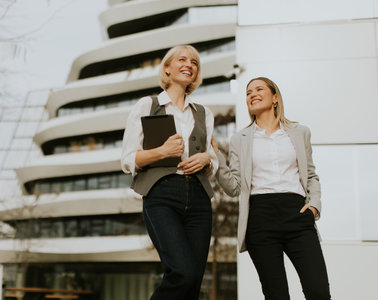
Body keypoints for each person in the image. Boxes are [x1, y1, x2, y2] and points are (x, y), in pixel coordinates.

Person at [214, 77, 331, 299]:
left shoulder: (299, 132)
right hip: (260, 218)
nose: (252, 94)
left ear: (274, 97)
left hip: (297, 213)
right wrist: (217, 157)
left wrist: (314, 206)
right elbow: (234, 187)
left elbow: (310, 175)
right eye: (248, 92)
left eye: (259, 89)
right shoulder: (240, 139)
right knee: (276, 295)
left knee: (319, 291)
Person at [121, 45, 218, 300]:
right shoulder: (148, 105)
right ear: (167, 68)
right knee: (182, 273)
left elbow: (214, 159)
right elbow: (129, 159)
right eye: (182, 60)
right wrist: (162, 152)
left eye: (194, 62)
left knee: (194, 282)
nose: (189, 64)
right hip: (161, 194)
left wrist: (207, 159)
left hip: (198, 198)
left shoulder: (204, 113)